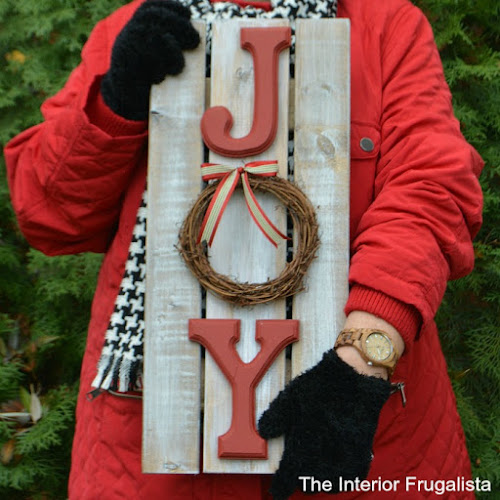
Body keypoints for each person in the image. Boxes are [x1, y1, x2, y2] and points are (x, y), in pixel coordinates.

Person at [4, 0, 483, 498]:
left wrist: (362, 357)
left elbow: (430, 188)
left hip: (361, 432)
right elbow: (49, 214)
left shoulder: (385, 25)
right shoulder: (135, 25)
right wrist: (114, 103)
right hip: (152, 460)